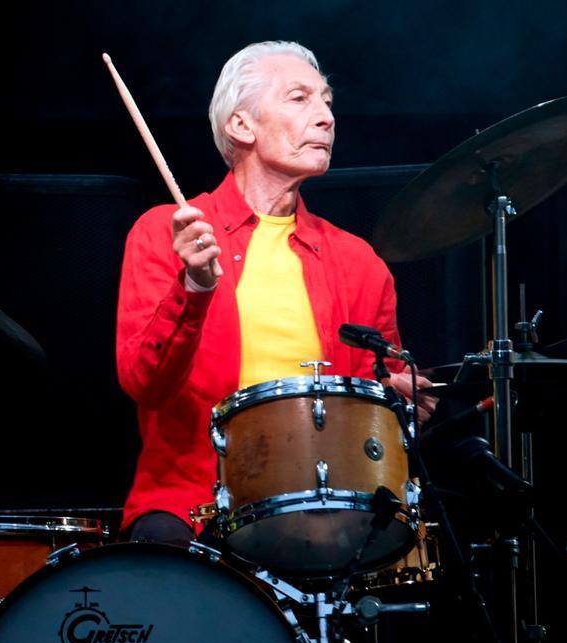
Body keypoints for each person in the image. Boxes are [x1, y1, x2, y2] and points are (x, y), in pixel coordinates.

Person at [116, 40, 434, 545]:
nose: (326, 116)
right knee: (160, 560)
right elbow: (144, 384)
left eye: (327, 101)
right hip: (192, 504)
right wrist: (194, 286)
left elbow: (374, 412)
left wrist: (394, 397)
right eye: (300, 98)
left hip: (321, 508)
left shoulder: (359, 263)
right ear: (241, 126)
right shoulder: (165, 233)